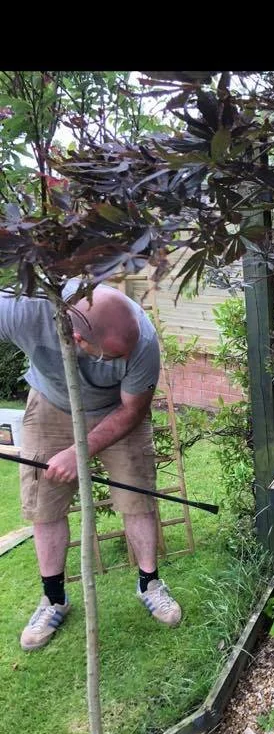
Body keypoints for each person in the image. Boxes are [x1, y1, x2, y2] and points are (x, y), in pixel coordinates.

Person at [0, 278, 183, 652]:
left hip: (117, 412)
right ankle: (54, 599)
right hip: (51, 402)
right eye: (111, 357)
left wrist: (78, 452)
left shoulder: (141, 341)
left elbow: (133, 408)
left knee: (138, 495)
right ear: (79, 339)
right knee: (44, 503)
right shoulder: (23, 308)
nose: (119, 362)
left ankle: (150, 584)